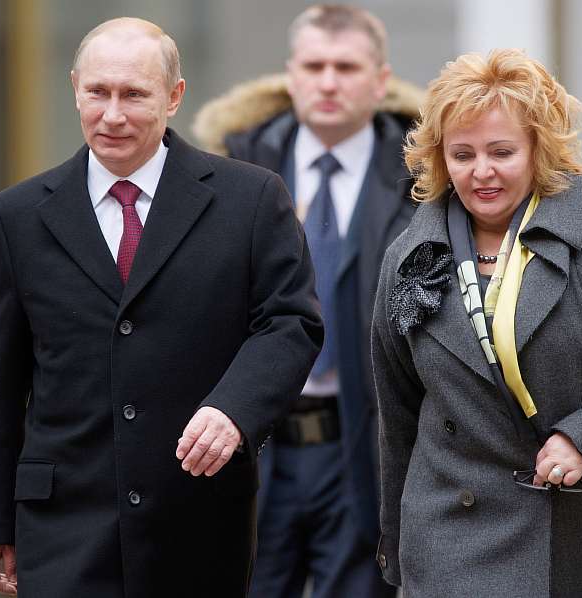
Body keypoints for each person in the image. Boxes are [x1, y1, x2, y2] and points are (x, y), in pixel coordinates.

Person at [0, 17, 322, 598]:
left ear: (174, 97)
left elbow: (290, 322)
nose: (112, 115)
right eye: (97, 92)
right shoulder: (17, 216)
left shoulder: (250, 199)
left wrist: (234, 409)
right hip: (62, 524)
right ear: (74, 87)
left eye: (133, 94)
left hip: (196, 519)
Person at [372, 48, 582, 597]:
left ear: (538, 149)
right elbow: (398, 412)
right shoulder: (409, 256)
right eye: (462, 154)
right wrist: (397, 546)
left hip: (579, 521)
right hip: (451, 532)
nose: (481, 172)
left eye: (502, 152)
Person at [193, 5, 418, 597]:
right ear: (290, 75)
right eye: (314, 66)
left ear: (380, 80)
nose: (328, 82)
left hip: (364, 445)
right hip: (253, 442)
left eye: (347, 67)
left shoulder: (424, 178)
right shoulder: (234, 168)